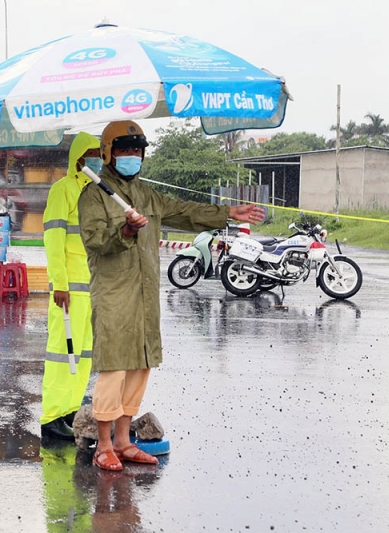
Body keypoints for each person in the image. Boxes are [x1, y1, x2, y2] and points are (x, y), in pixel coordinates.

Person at [77, 120, 265, 471]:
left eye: (137, 150)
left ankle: (123, 441)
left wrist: (226, 213)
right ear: (108, 153)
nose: (133, 156)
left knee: (140, 364)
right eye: (125, 150)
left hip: (147, 293)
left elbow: (185, 211)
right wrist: (127, 229)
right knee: (114, 366)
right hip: (115, 292)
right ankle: (103, 445)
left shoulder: (148, 195)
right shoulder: (94, 194)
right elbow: (95, 241)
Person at [40, 132, 102, 441]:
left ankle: (70, 411)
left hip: (93, 290)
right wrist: (59, 285)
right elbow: (53, 240)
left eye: (100, 153)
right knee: (61, 354)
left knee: (83, 356)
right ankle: (51, 418)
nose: (98, 159)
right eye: (92, 153)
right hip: (70, 291)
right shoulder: (62, 190)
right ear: (78, 157)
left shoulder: (96, 192)